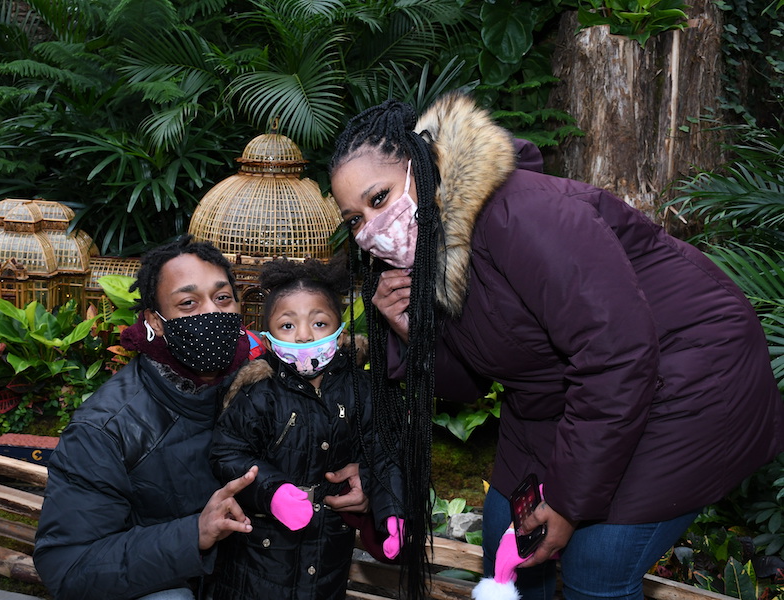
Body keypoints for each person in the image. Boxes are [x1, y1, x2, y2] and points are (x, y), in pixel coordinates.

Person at [328, 92, 784, 600]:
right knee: (508, 535)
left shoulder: (524, 215)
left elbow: (617, 358)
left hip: (690, 378)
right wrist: (411, 332)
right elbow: (470, 383)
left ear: (422, 166)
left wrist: (568, 502)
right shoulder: (425, 253)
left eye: (379, 198)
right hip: (565, 394)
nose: (371, 229)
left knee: (597, 565)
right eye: (355, 219)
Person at [33, 236, 368, 600]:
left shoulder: (272, 375)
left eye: (222, 298)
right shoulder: (106, 429)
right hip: (170, 584)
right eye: (188, 303)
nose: (212, 313)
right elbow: (66, 566)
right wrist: (194, 534)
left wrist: (363, 474)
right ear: (155, 322)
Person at [209, 257, 404, 600]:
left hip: (328, 551)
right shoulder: (258, 394)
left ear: (340, 330)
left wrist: (391, 510)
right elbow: (227, 452)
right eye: (287, 325)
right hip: (258, 557)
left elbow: (383, 451)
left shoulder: (363, 389)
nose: (303, 335)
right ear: (267, 338)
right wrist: (273, 491)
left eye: (319, 322)